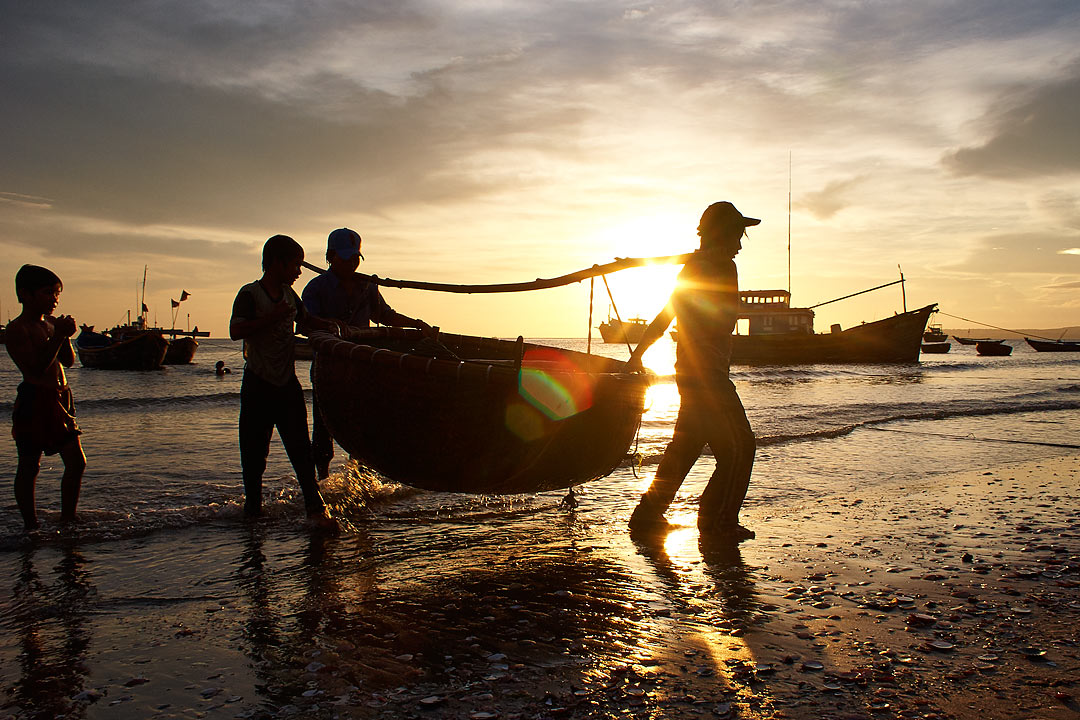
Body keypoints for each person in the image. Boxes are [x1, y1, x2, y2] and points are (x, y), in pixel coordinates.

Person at [626, 201, 758, 541]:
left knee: (685, 447)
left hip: (691, 372)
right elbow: (704, 318)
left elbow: (666, 316)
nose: (740, 246)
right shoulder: (715, 268)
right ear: (722, 234)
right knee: (740, 447)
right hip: (707, 376)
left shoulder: (698, 269)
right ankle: (717, 523)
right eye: (736, 236)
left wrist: (637, 355)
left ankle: (647, 516)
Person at [301, 227, 433, 479]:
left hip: (363, 368)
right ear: (330, 256)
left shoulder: (367, 287)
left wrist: (415, 323)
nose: (351, 263)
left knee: (365, 425)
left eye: (355, 258)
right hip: (328, 369)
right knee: (323, 428)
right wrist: (331, 325)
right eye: (345, 258)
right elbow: (306, 323)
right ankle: (322, 481)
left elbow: (383, 315)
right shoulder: (316, 288)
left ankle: (361, 479)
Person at [229, 235, 340, 529]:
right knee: (254, 458)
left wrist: (327, 325)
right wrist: (272, 318)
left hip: (287, 385)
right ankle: (252, 514)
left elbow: (305, 321)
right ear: (277, 262)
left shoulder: (291, 296)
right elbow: (235, 330)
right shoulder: (250, 294)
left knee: (301, 452)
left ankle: (316, 511)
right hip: (257, 385)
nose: (299, 271)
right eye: (295, 264)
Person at [6, 265, 86, 532]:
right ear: (25, 294)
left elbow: (68, 361)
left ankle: (68, 517)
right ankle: (31, 524)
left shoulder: (50, 323)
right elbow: (35, 367)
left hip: (60, 399)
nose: (54, 299)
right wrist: (60, 335)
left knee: (77, 462)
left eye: (56, 293)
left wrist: (64, 336)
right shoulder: (18, 329)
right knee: (30, 465)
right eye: (48, 292)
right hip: (35, 399)